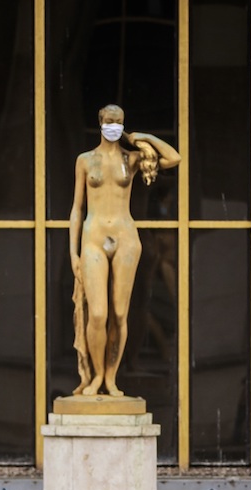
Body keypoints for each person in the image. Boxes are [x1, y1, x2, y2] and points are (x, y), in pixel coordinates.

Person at [67, 103, 181, 397]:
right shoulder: (85, 160)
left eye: (118, 122)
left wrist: (140, 137)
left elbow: (173, 158)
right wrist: (73, 253)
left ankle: (111, 378)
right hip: (93, 237)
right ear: (100, 121)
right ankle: (95, 377)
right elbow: (77, 210)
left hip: (125, 237)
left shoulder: (131, 159)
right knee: (98, 314)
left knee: (120, 313)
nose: (113, 126)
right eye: (109, 121)